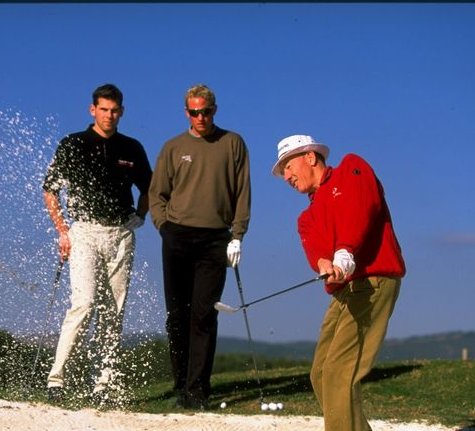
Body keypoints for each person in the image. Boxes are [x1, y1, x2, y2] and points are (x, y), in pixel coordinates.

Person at [271, 134, 406, 431]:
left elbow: (362, 206)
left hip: (374, 281)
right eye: (283, 173)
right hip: (346, 291)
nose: (287, 177)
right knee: (320, 373)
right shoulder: (306, 218)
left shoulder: (350, 168)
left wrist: (346, 250)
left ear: (310, 157)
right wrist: (325, 265)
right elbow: (319, 255)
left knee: (338, 372)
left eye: (289, 167)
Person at [41, 83, 153, 408]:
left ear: (122, 111)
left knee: (113, 312)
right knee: (84, 304)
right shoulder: (73, 144)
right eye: (103, 110)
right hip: (84, 232)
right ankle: (56, 380)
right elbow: (50, 190)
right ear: (93, 110)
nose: (109, 115)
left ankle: (102, 385)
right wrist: (63, 232)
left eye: (115, 110)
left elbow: (149, 187)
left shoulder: (131, 148)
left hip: (121, 233)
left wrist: (140, 217)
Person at [148, 84, 251, 410]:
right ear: (186, 112)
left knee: (204, 315)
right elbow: (157, 194)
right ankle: (181, 387)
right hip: (177, 235)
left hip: (215, 239)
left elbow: (242, 192)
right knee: (178, 316)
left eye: (205, 111)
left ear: (214, 110)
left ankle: (198, 390)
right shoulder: (173, 147)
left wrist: (238, 235)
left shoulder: (232, 143)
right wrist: (164, 227)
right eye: (194, 112)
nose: (200, 117)